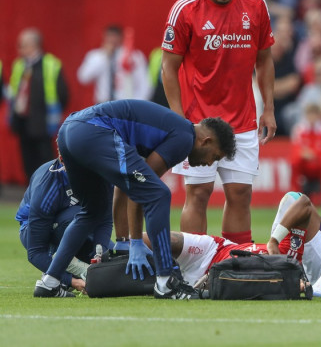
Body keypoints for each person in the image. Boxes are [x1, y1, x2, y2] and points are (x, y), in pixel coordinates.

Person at [33, 99, 236, 299]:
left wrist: (124, 241)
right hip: (92, 131)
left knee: (92, 211)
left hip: (69, 131)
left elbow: (130, 184)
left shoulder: (175, 131)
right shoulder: (185, 137)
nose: (209, 163)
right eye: (215, 157)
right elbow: (144, 190)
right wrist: (136, 241)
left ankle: (50, 282)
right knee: (160, 194)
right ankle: (166, 281)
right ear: (206, 141)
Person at [162, 0, 277, 244]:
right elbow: (168, 67)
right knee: (198, 193)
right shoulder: (185, 10)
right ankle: (192, 264)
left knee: (240, 194)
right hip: (199, 123)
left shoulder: (256, 6)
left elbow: (264, 61)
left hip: (242, 120)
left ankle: (235, 263)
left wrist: (269, 109)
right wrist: (177, 116)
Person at [16, 158, 111, 294]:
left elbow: (105, 220)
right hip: (36, 231)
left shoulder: (100, 171)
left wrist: (100, 255)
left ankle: (73, 266)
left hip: (79, 228)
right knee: (80, 215)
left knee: (116, 256)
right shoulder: (47, 185)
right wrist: (73, 281)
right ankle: (57, 267)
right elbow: (35, 252)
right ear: (63, 160)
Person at [7, 28, 69, 181]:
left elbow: (63, 93)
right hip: (23, 120)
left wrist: (53, 114)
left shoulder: (50, 64)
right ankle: (31, 192)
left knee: (45, 159)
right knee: (27, 159)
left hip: (42, 121)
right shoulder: (19, 65)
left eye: (23, 45)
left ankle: (49, 190)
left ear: (34, 45)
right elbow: (15, 91)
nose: (20, 48)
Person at [77, 25, 151, 103]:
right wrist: (104, 56)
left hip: (124, 103)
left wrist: (137, 103)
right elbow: (83, 78)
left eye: (115, 36)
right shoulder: (96, 56)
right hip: (102, 103)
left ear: (121, 37)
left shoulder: (133, 56)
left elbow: (145, 83)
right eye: (109, 36)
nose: (112, 39)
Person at [290, 102, 321, 205]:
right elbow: (296, 149)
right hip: (305, 164)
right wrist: (305, 154)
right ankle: (294, 197)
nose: (312, 117)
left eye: (314, 115)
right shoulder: (299, 129)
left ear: (319, 116)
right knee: (294, 162)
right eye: (310, 114)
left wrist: (313, 154)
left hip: (318, 163)